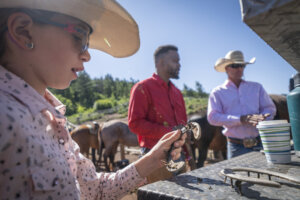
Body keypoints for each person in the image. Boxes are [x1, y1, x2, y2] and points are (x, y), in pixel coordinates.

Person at [0, 1, 187, 199]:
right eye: (79, 36)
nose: (87, 55)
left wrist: (152, 158)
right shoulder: (6, 119)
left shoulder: (51, 119)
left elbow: (94, 189)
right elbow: (135, 122)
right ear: (23, 31)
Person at [128, 45, 188, 182]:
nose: (179, 65)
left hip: (179, 154)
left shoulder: (177, 93)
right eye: (175, 60)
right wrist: (170, 132)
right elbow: (134, 124)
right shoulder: (142, 88)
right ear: (160, 63)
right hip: (154, 158)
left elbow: (183, 124)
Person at [207, 50, 276, 159]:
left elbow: (269, 108)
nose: (239, 69)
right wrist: (241, 119)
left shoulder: (257, 87)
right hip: (236, 146)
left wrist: (262, 118)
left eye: (242, 66)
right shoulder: (217, 92)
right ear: (226, 68)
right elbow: (213, 117)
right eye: (235, 65)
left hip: (260, 142)